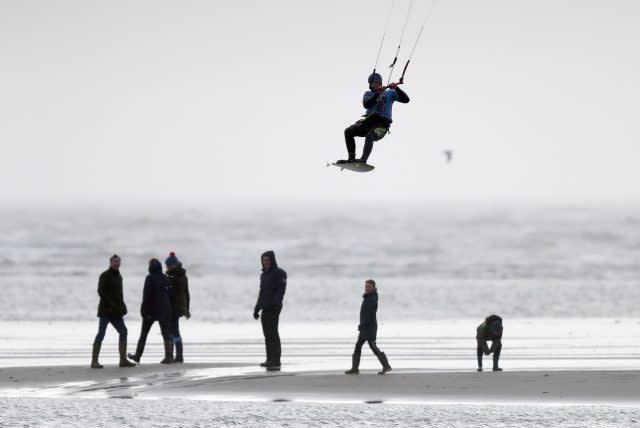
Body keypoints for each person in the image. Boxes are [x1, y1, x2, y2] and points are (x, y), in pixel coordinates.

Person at [337, 72, 410, 165]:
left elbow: (406, 100)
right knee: (348, 131)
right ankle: (351, 158)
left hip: (382, 124)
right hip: (368, 123)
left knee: (370, 135)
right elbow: (366, 105)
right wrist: (377, 93)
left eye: (376, 83)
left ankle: (363, 160)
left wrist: (396, 88)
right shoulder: (368, 94)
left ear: (380, 83)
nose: (373, 85)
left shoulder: (390, 93)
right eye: (371, 83)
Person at [91, 254, 136, 368]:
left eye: (118, 261)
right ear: (110, 263)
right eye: (114, 261)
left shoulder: (119, 276)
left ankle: (123, 360)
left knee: (123, 331)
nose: (116, 263)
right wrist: (112, 304)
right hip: (105, 311)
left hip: (116, 312)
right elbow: (100, 291)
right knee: (101, 333)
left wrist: (122, 306)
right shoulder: (105, 275)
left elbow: (119, 295)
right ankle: (94, 361)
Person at [127, 258, 174, 364]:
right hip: (165, 308)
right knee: (165, 333)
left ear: (150, 267)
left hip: (151, 310)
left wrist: (144, 311)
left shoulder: (149, 278)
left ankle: (137, 356)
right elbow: (170, 294)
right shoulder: (166, 278)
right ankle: (169, 357)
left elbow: (146, 296)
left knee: (144, 333)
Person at [345, 279, 392, 375]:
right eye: (366, 286)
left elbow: (370, 315)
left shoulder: (372, 299)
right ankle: (355, 369)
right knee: (358, 345)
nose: (366, 288)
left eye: (369, 287)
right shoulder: (368, 297)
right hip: (365, 327)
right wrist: (362, 325)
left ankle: (386, 366)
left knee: (373, 346)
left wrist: (362, 325)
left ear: (373, 288)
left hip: (369, 328)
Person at [253, 250, 287, 369]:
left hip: (274, 308)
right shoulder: (263, 275)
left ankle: (276, 360)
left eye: (268, 260)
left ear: (272, 260)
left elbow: (281, 290)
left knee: (273, 333)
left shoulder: (280, 273)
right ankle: (269, 359)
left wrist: (276, 303)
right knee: (267, 334)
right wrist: (257, 308)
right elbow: (261, 293)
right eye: (264, 260)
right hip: (265, 307)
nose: (266, 262)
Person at [165, 252, 190, 363]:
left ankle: (178, 356)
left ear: (171, 265)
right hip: (181, 307)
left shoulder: (172, 277)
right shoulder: (183, 276)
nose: (166, 267)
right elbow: (187, 294)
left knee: (173, 330)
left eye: (167, 265)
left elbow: (169, 295)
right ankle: (177, 355)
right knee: (174, 329)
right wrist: (187, 308)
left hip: (173, 307)